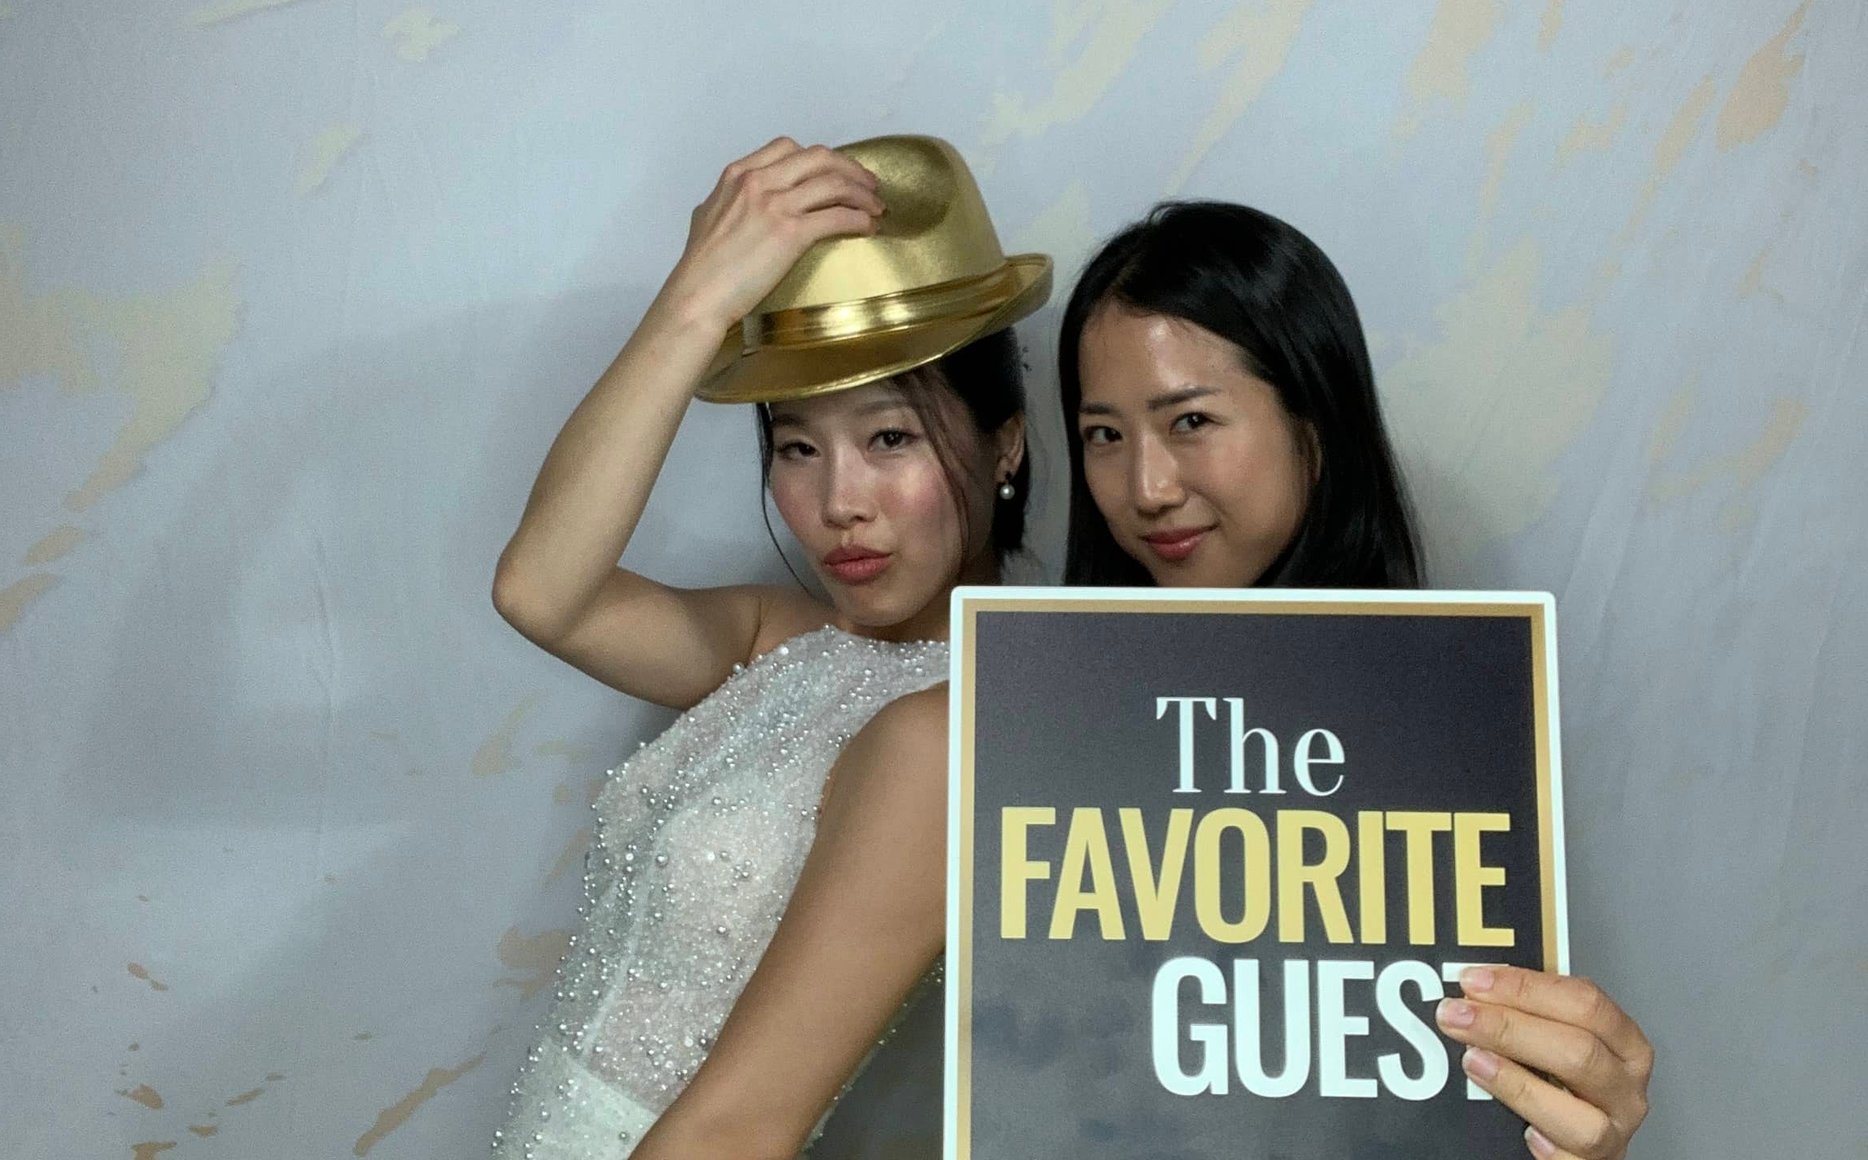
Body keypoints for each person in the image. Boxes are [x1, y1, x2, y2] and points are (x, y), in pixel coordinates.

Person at [1055, 200, 1653, 1160]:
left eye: (1192, 421)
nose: (1146, 486)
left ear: (1314, 424)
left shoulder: (1454, 732)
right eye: (1103, 435)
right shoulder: (1024, 728)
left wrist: (1566, 1128)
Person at [488, 133, 1048, 1159]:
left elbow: (745, 1125)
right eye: (796, 445)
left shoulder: (965, 724)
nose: (837, 505)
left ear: (1002, 440)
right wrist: (694, 302)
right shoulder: (776, 637)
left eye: (890, 438)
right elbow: (540, 589)